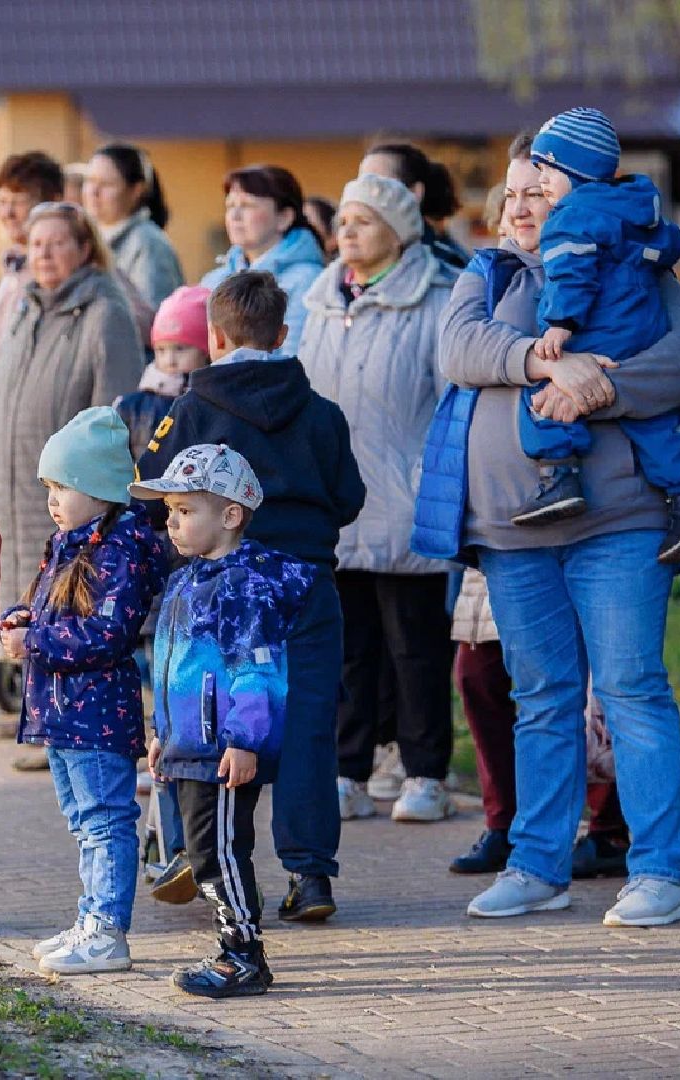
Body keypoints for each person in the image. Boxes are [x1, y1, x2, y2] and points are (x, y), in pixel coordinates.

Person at [412, 127, 680, 926]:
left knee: (630, 690)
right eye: (510, 195)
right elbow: (458, 349)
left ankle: (661, 875)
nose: (521, 207)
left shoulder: (631, 262)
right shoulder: (486, 273)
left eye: (537, 191)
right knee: (542, 697)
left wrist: (598, 393)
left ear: (572, 197)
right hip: (513, 531)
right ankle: (536, 866)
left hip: (618, 522)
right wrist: (551, 362)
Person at [138, 270, 364, 923]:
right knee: (308, 727)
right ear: (283, 333)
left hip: (225, 590)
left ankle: (209, 864)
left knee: (206, 720)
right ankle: (310, 874)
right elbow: (347, 498)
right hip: (307, 586)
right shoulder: (321, 413)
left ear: (212, 336)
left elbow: (153, 497)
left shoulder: (190, 409)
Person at [298, 173, 460, 825]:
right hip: (337, 503)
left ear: (399, 230)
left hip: (406, 501)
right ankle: (347, 770)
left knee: (415, 649)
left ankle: (424, 772)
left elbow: (453, 404)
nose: (347, 231)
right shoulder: (318, 301)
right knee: (348, 648)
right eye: (344, 220)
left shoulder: (436, 299)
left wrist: (430, 480)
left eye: (363, 221)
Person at [134, 444, 316, 998]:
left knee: (220, 853)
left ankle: (244, 956)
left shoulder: (242, 588)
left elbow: (256, 669)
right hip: (190, 744)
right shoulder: (187, 580)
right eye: (169, 511)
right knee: (203, 850)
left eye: (185, 511)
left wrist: (244, 740)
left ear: (231, 515)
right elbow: (172, 668)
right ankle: (232, 945)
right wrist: (163, 732)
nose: (172, 522)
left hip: (223, 751)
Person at [0, 407, 169, 974]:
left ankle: (107, 932)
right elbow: (57, 610)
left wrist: (36, 639)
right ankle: (90, 916)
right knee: (83, 822)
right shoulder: (68, 542)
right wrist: (21, 618)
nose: (52, 499)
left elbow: (105, 633)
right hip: (62, 709)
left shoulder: (119, 551)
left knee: (105, 820)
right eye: (49, 486)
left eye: (63, 486)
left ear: (99, 490)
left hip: (95, 709)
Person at [0, 201, 145, 772]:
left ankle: (76, 734)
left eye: (57, 242)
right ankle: (41, 719)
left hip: (78, 493)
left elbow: (117, 412)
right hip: (19, 484)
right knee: (37, 601)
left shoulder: (103, 312)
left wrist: (102, 491)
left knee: (79, 610)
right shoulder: (25, 307)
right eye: (36, 242)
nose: (43, 253)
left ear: (85, 248)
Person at [514, 109, 680, 567]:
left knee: (543, 400)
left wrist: (559, 325)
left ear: (575, 171)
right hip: (642, 326)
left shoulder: (571, 217)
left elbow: (570, 273)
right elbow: (672, 245)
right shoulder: (633, 205)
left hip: (599, 328)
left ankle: (559, 478)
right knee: (656, 419)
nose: (543, 182)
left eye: (547, 171)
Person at [0, 151, 66, 432]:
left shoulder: (60, 271)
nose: (7, 213)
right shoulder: (13, 271)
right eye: (2, 202)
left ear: (51, 202)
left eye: (18, 202)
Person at [201, 165, 326, 345]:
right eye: (230, 206)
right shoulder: (213, 281)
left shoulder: (309, 281)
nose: (234, 215)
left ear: (284, 217)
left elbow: (295, 356)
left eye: (247, 205)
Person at [83, 143, 185, 311]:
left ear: (137, 190)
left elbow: (152, 316)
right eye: (90, 181)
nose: (93, 191)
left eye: (106, 184)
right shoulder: (88, 240)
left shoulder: (148, 244)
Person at [115, 285, 212, 461]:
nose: (170, 359)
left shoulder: (213, 402)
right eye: (161, 350)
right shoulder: (134, 406)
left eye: (180, 349)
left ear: (205, 350)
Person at [359, 143, 468, 270]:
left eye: (378, 184)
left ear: (415, 192)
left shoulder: (445, 267)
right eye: (361, 184)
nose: (363, 193)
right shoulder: (349, 258)